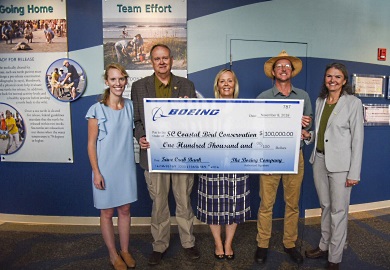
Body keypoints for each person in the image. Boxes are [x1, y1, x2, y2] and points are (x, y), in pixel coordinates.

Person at [131, 44, 200, 265]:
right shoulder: (139, 86)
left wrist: (193, 110)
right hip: (153, 156)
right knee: (159, 204)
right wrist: (140, 137)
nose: (161, 62)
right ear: (151, 62)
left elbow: (194, 121)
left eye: (165, 58)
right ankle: (159, 245)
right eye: (157, 58)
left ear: (172, 60)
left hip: (181, 156)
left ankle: (188, 243)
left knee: (183, 201)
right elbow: (136, 121)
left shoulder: (187, 85)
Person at [302, 63, 364, 270]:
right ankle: (324, 246)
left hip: (341, 166)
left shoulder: (353, 103)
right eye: (329, 76)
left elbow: (358, 140)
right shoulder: (321, 101)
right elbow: (321, 134)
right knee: (326, 207)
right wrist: (308, 136)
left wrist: (354, 172)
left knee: (339, 210)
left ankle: (334, 257)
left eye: (337, 77)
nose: (333, 80)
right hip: (319, 161)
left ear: (344, 81)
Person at [255, 50, 313, 265]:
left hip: (294, 155)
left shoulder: (303, 96)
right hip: (270, 155)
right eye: (279, 66)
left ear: (292, 71)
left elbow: (309, 130)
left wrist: (306, 130)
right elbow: (256, 129)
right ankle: (262, 244)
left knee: (293, 204)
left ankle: (290, 244)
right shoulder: (263, 98)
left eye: (287, 66)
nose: (283, 69)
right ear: (273, 71)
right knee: (266, 204)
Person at [86, 63, 137, 270]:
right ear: (107, 82)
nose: (118, 83)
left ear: (125, 80)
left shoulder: (131, 105)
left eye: (121, 79)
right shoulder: (97, 109)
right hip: (104, 168)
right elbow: (91, 144)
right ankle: (113, 254)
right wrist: (96, 172)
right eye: (114, 79)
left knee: (125, 209)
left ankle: (124, 250)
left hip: (125, 166)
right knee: (107, 212)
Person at [196, 69, 250, 260]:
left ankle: (228, 243)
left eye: (230, 81)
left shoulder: (246, 108)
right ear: (217, 85)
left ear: (235, 85)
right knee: (213, 205)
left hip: (237, 164)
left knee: (234, 205)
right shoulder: (206, 108)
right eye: (222, 81)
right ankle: (218, 243)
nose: (226, 84)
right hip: (212, 164)